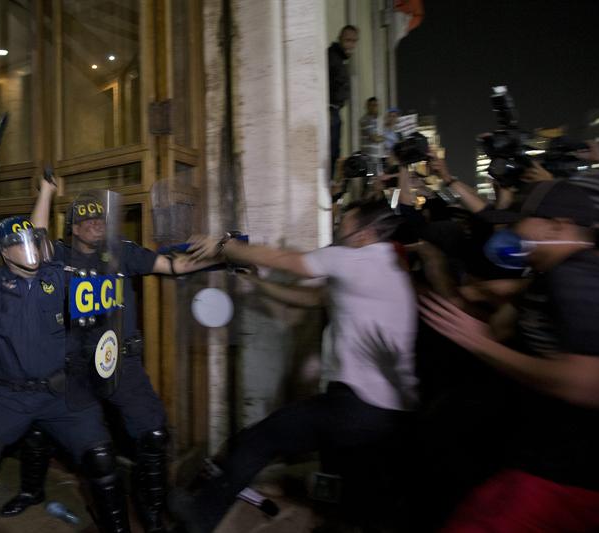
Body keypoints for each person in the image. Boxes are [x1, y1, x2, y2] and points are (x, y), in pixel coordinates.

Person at [175, 198, 419, 532]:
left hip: (358, 404)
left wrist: (223, 245)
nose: (337, 226)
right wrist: (256, 283)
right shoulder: (384, 265)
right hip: (390, 410)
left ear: (365, 233)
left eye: (345, 222)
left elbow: (289, 261)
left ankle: (200, 517)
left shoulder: (353, 258)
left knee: (258, 440)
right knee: (365, 497)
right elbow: (312, 299)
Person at [421, 180, 599, 532]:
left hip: (572, 477)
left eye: (522, 222)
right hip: (539, 463)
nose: (514, 232)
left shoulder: (581, 278)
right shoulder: (549, 276)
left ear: (558, 225)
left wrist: (482, 344)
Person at [0, 180, 214, 533]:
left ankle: (152, 510)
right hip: (72, 364)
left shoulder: (121, 253)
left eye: (100, 219)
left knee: (154, 433)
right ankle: (31, 490)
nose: (95, 224)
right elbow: (33, 242)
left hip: (119, 360)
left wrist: (225, 251)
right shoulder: (59, 257)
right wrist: (47, 193)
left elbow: (173, 266)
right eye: (86, 220)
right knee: (39, 429)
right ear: (72, 226)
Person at [0, 194, 130, 533]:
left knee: (102, 458)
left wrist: (46, 192)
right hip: (10, 397)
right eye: (18, 243)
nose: (29, 246)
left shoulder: (56, 277)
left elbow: (43, 231)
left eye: (33, 240)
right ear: (3, 252)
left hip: (60, 391)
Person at [328, 25, 358, 180]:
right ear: (340, 39)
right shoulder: (332, 57)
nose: (351, 44)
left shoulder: (340, 59)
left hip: (335, 111)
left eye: (354, 41)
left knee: (335, 154)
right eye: (348, 40)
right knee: (331, 154)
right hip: (330, 111)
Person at [359, 97, 385, 174]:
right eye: (372, 105)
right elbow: (375, 138)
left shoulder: (377, 120)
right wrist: (383, 137)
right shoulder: (365, 120)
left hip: (377, 157)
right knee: (371, 181)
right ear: (367, 106)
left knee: (378, 182)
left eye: (376, 105)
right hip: (369, 158)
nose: (374, 107)